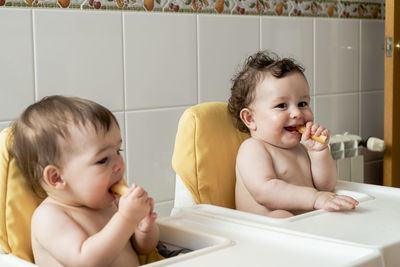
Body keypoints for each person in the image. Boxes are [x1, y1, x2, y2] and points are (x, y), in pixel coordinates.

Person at [11, 95, 159, 266]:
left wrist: (143, 227)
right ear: (56, 178)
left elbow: (145, 249)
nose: (119, 164)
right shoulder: (49, 217)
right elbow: (86, 261)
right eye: (102, 160)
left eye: (118, 151)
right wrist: (127, 219)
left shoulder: (114, 204)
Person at [228, 51, 359, 218]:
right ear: (250, 118)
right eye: (282, 105)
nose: (297, 113)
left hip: (301, 225)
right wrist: (315, 198)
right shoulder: (253, 149)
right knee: (280, 215)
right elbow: (265, 192)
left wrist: (318, 152)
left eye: (302, 103)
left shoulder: (302, 148)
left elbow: (326, 186)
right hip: (263, 230)